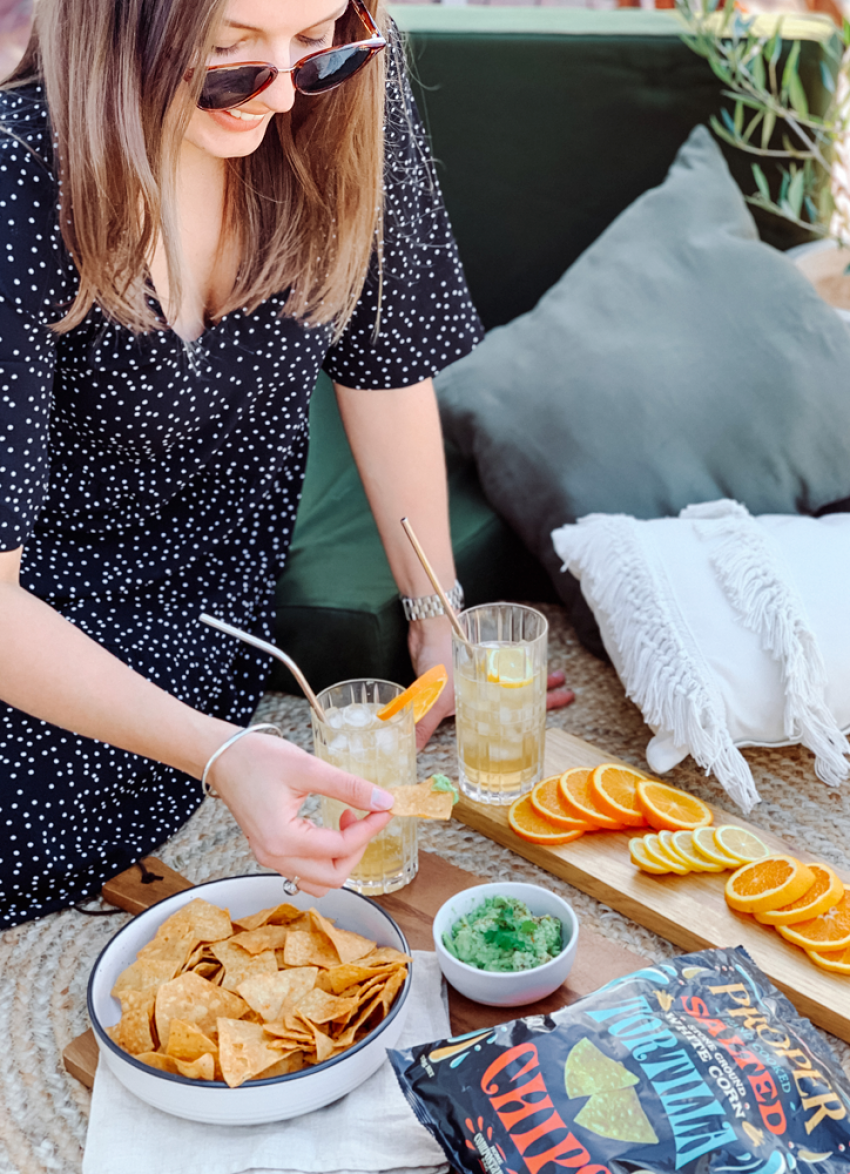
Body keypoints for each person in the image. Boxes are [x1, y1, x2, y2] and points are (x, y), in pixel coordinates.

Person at [0, 0, 486, 928]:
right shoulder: (15, 182)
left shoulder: (344, 86)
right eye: (230, 54)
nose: (283, 96)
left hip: (215, 624)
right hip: (35, 639)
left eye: (314, 41)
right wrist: (222, 756)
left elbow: (384, 366)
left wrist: (437, 620)